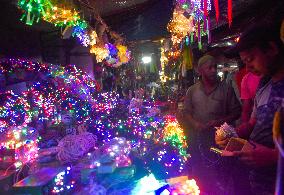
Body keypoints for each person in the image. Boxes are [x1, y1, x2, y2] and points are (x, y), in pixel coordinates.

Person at [216, 21, 284, 195]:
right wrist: (233, 135)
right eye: (244, 62)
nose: (248, 68)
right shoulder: (264, 83)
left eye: (251, 59)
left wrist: (274, 157)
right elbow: (255, 121)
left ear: (272, 49)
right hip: (259, 183)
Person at [178, 54, 241, 194]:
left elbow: (237, 112)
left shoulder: (226, 89)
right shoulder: (192, 91)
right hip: (198, 141)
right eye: (209, 68)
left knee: (221, 176)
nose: (213, 70)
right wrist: (195, 124)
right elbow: (187, 112)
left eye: (215, 67)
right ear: (200, 71)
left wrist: (218, 122)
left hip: (220, 142)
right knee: (200, 175)